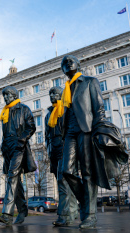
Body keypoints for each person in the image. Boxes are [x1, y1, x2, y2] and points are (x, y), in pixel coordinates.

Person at [59, 55, 128, 229]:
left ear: (78, 64)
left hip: (87, 130)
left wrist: (99, 129)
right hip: (70, 132)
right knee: (66, 171)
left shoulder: (90, 81)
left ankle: (90, 215)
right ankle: (86, 203)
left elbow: (98, 107)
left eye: (70, 61)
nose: (67, 63)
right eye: (64, 63)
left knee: (88, 173)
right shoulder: (65, 89)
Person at [0, 86, 37, 226]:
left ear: (14, 95)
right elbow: (5, 132)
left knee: (13, 176)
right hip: (7, 147)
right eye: (4, 95)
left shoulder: (24, 109)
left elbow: (31, 127)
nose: (6, 98)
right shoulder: (5, 112)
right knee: (14, 179)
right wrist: (2, 145)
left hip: (19, 146)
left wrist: (22, 140)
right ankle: (23, 208)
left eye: (8, 95)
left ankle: (7, 214)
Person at [44, 86, 78, 226]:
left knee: (63, 181)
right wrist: (49, 150)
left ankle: (63, 215)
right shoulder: (48, 115)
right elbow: (47, 135)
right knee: (63, 182)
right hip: (54, 150)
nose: (52, 96)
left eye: (55, 94)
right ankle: (72, 211)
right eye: (51, 94)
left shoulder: (66, 110)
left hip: (66, 148)